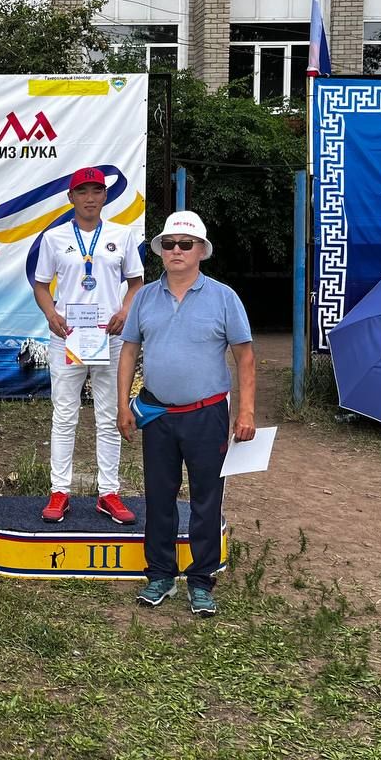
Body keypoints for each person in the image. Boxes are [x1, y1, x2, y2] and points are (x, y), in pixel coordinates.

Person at [116, 211, 256, 618]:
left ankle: (201, 580)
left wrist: (246, 411)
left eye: (185, 243)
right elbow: (129, 351)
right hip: (158, 413)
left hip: (207, 414)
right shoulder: (144, 297)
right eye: (169, 243)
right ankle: (160, 574)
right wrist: (122, 404)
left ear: (201, 251)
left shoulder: (224, 297)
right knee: (159, 496)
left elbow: (245, 357)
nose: (176, 250)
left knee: (206, 498)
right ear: (161, 250)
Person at [32, 167, 144, 525]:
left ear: (105, 196)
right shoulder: (54, 238)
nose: (90, 198)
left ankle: (108, 492)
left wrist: (125, 311)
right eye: (83, 192)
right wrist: (51, 314)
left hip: (109, 337)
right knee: (65, 414)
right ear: (71, 197)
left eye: (97, 191)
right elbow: (40, 285)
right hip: (68, 336)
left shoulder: (122, 235)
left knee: (109, 415)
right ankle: (59, 491)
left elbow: (136, 283)